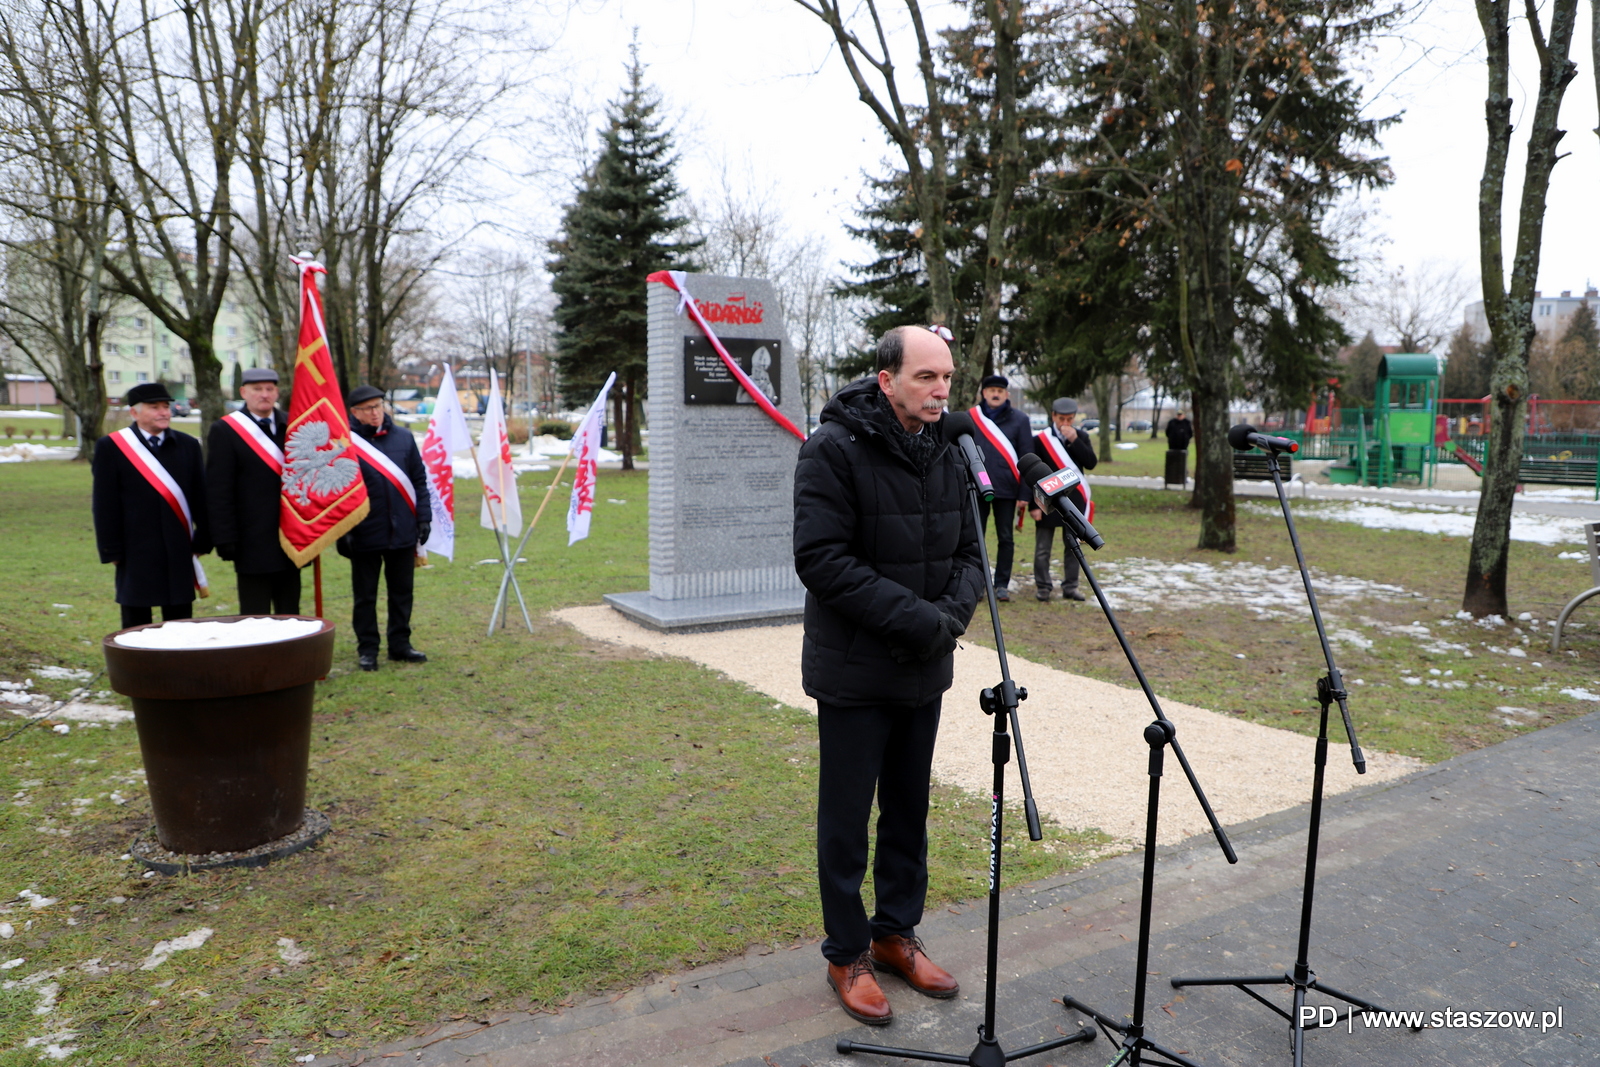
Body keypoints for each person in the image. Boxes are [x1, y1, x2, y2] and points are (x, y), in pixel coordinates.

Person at [793, 324, 983, 1026]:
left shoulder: (952, 450)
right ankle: (847, 952)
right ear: (887, 379)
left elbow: (971, 551)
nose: (940, 390)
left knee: (909, 811)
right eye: (926, 377)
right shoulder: (832, 449)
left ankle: (894, 933)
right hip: (854, 671)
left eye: (947, 378)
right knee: (846, 822)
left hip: (923, 669)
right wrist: (919, 620)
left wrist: (947, 620)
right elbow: (822, 559)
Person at [92, 382, 212, 629]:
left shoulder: (188, 445)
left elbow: (201, 496)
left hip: (178, 546)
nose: (164, 412)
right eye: (154, 407)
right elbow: (105, 504)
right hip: (134, 548)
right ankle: (137, 665)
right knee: (136, 619)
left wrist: (203, 539)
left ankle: (177, 664)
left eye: (166, 406)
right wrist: (111, 550)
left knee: (180, 619)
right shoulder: (111, 447)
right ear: (134, 413)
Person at [339, 385, 430, 671]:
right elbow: (336, 490)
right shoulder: (344, 443)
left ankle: (400, 644)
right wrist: (345, 531)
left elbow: (418, 479)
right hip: (363, 532)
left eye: (378, 406)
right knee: (365, 596)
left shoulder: (403, 437)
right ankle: (368, 648)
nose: (375, 412)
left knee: (402, 591)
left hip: (401, 529)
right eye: (367, 408)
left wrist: (423, 518)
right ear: (354, 413)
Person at [207, 368, 303, 615]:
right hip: (250, 538)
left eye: (269, 389)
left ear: (277, 392)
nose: (264, 395)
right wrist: (224, 537)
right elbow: (219, 489)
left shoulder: (294, 426)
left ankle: (288, 655)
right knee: (255, 614)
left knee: (290, 610)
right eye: (257, 389)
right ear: (243, 392)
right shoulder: (225, 430)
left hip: (291, 534)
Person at [967, 373, 1032, 601]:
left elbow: (1027, 457)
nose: (995, 394)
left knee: (1006, 538)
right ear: (983, 393)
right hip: (976, 488)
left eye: (1000, 391)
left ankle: (1001, 585)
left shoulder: (1020, 420)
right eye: (991, 390)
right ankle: (978, 583)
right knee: (975, 538)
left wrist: (1025, 493)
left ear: (1006, 394)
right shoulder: (970, 418)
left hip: (1007, 489)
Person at [1030, 397, 1097, 602]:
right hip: (1047, 500)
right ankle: (1043, 586)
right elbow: (1032, 473)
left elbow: (1091, 463)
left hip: (1074, 500)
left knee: (1073, 546)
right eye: (1061, 419)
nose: (1065, 423)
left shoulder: (1081, 436)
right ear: (1053, 416)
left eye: (1069, 419)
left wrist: (1075, 440)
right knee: (1043, 548)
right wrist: (1035, 504)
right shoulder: (1040, 439)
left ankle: (1071, 585)